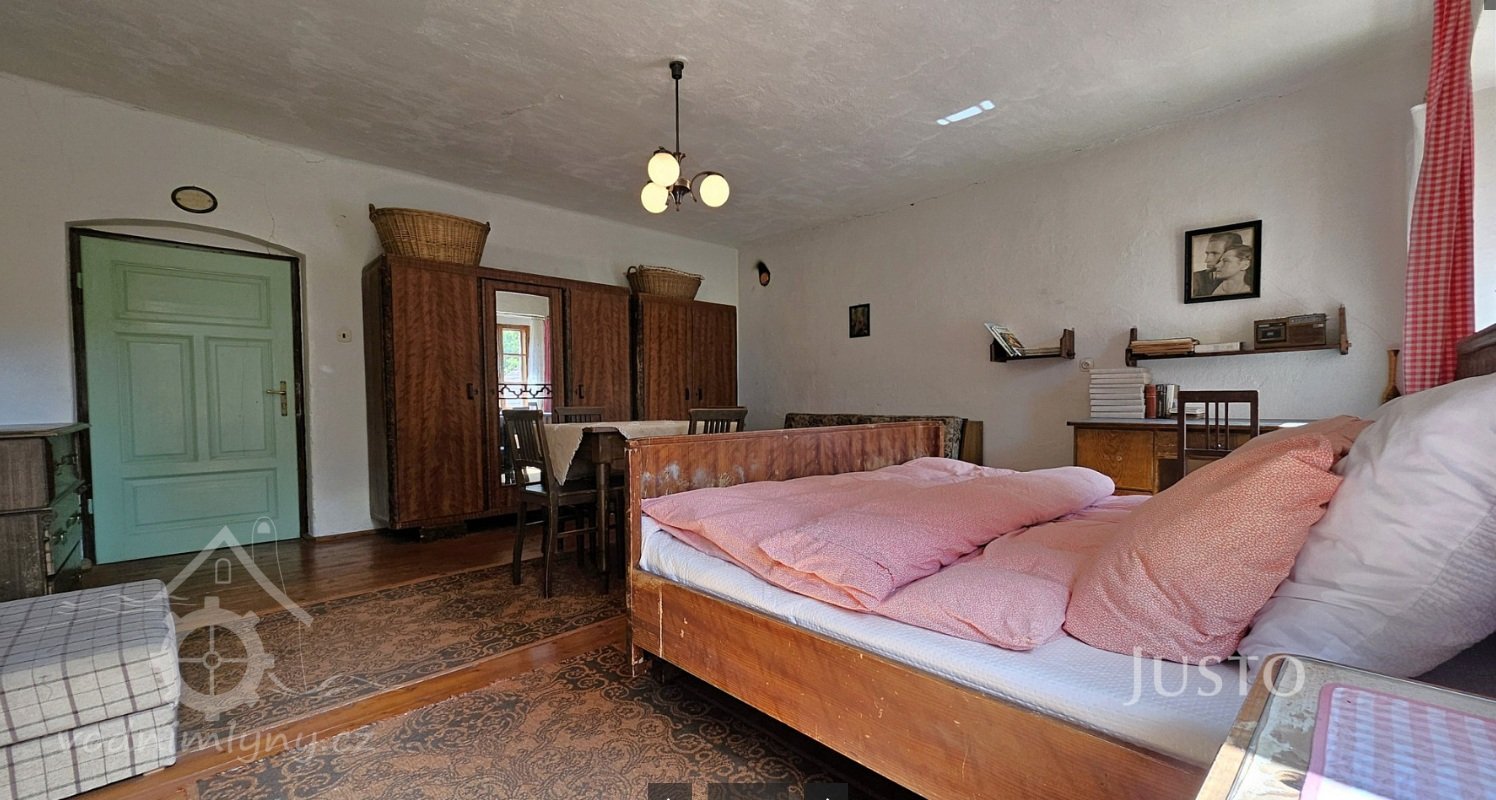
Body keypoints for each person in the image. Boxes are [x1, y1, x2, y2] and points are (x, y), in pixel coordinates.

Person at [1192, 231, 1242, 298]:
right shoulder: (1195, 278)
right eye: (1207, 253)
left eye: (1215, 253)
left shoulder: (1244, 281)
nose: (1207, 260)